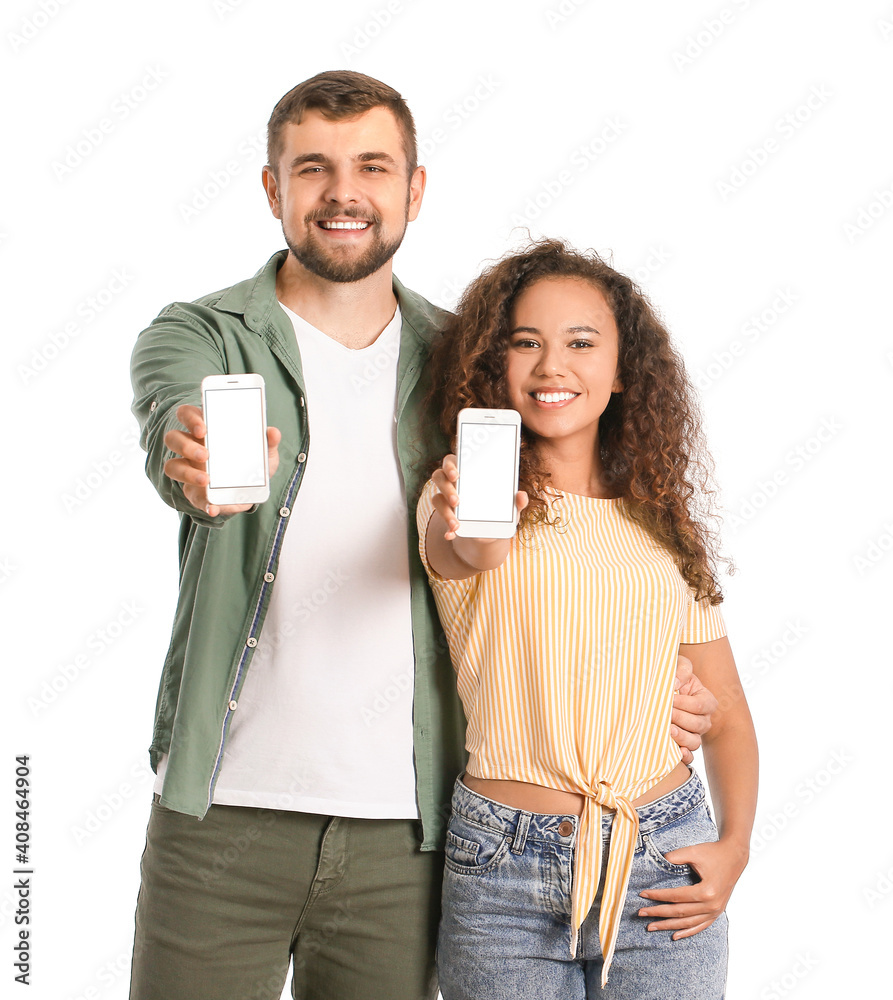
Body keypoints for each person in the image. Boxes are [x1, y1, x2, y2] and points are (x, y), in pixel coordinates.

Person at [128, 72, 719, 1000]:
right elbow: (176, 425)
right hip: (222, 814)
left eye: (372, 164)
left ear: (414, 189)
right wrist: (191, 466)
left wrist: (656, 685)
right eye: (312, 167)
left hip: (413, 834)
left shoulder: (468, 368)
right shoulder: (201, 335)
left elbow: (567, 539)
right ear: (272, 189)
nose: (343, 192)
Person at [418, 238, 758, 999]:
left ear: (622, 371)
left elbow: (726, 713)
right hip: (502, 867)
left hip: (663, 855)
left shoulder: (660, 524)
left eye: (580, 343)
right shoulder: (459, 494)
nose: (550, 367)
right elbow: (466, 552)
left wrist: (733, 846)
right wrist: (476, 518)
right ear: (491, 364)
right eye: (524, 343)